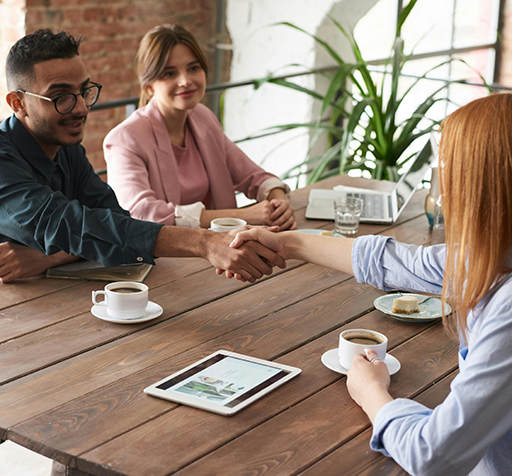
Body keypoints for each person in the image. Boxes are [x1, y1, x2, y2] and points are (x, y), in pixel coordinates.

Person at [230, 94, 512, 475]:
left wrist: (371, 392)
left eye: (447, 170)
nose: (441, 186)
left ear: (483, 189)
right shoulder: (493, 255)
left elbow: (432, 456)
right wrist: (287, 243)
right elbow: (395, 262)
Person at [0, 29, 286, 287]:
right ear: (18, 103)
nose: (82, 109)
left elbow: (113, 218)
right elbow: (64, 224)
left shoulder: (66, 145)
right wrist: (205, 242)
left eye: (84, 91)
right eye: (62, 96)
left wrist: (47, 257)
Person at [103, 25, 296, 231]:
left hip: (222, 247)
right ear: (149, 87)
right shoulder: (125, 138)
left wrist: (278, 201)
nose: (185, 81)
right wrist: (241, 215)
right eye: (169, 73)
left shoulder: (203, 117)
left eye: (193, 68)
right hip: (166, 257)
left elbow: (252, 176)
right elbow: (142, 212)